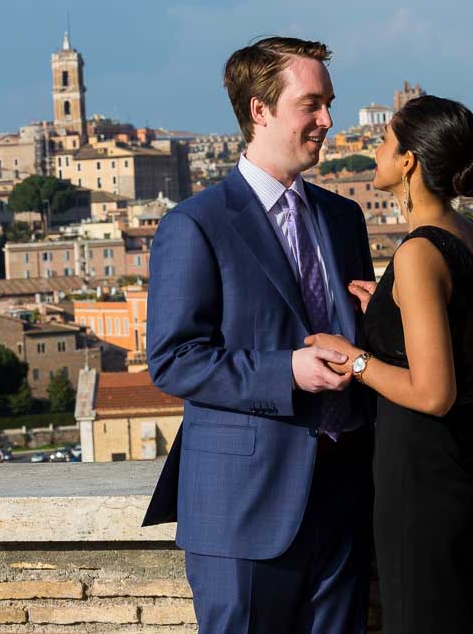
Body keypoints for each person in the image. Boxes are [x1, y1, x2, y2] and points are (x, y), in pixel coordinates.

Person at [142, 37, 376, 634]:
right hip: (242, 507)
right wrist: (287, 372)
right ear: (260, 110)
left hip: (344, 495)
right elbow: (173, 360)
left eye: (329, 104)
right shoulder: (195, 224)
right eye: (312, 104)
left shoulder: (344, 218)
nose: (328, 120)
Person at [307, 95, 473, 633]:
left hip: (420, 475)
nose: (374, 150)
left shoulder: (417, 254)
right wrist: (392, 316)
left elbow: (433, 393)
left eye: (384, 142)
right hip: (466, 462)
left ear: (409, 162)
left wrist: (357, 360)